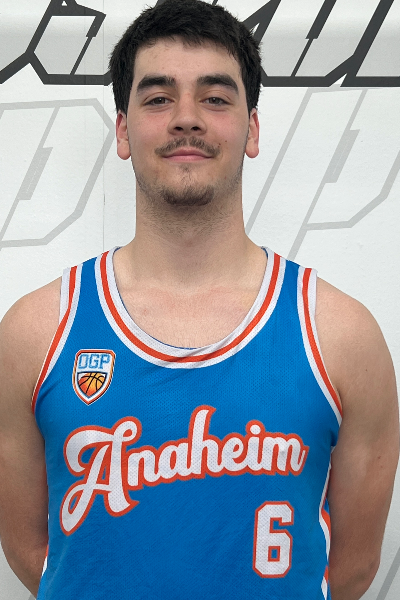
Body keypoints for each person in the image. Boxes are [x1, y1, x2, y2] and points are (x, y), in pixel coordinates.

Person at [0, 1, 398, 599]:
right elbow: (37, 555)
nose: (186, 118)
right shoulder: (35, 332)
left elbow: (351, 569)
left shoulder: (342, 336)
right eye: (159, 98)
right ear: (124, 131)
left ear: (252, 129)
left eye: (214, 98)